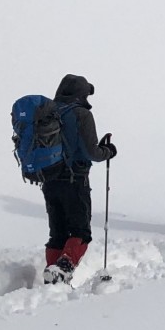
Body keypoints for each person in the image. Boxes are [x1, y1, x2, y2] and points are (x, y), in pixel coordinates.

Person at [42, 74, 117, 284]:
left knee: (57, 233)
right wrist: (108, 151)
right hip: (75, 179)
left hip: (48, 179)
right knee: (80, 231)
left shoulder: (47, 111)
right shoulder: (81, 114)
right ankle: (62, 269)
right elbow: (91, 152)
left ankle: (52, 274)